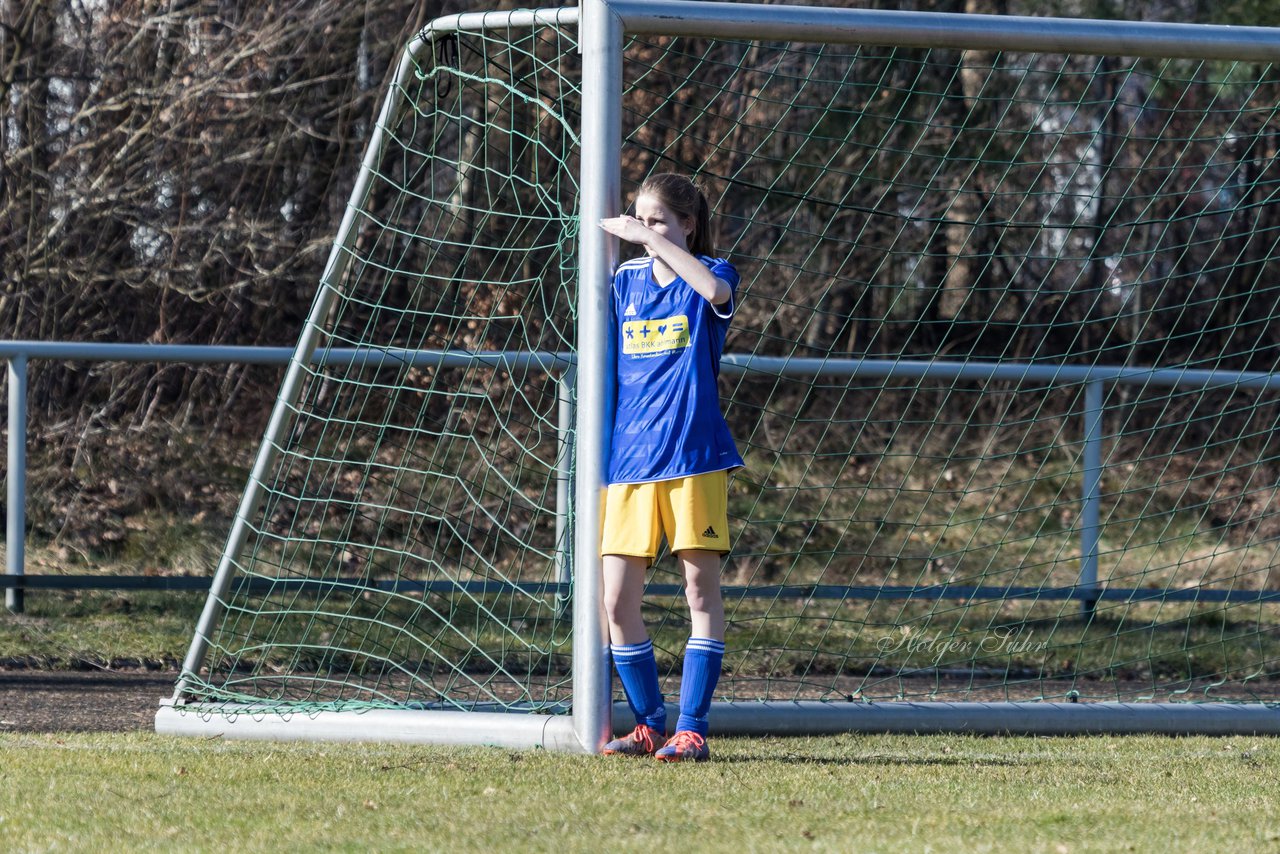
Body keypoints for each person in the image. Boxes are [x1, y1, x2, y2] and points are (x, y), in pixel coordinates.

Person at [596, 173, 742, 762]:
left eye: (658, 220)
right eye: (639, 218)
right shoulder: (622, 282)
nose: (644, 229)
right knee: (615, 601)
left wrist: (654, 241)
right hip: (629, 461)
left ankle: (694, 729)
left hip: (693, 456)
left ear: (687, 224)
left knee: (699, 588)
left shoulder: (713, 271)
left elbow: (713, 290)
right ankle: (650, 722)